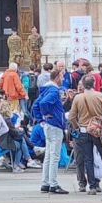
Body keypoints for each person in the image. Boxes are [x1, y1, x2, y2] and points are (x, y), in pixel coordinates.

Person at [67, 78, 102, 195]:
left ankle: (92, 187)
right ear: (94, 84)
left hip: (84, 131)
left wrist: (77, 127)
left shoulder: (78, 98)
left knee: (88, 159)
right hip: (98, 131)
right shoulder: (99, 95)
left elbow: (71, 116)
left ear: (83, 85)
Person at [30, 67, 69, 195]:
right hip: (55, 124)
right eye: (62, 76)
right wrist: (47, 114)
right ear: (57, 77)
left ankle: (45, 182)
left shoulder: (46, 89)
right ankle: (53, 183)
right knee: (54, 155)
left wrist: (41, 118)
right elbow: (43, 104)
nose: (63, 79)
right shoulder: (53, 90)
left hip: (48, 124)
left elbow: (36, 104)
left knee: (48, 155)